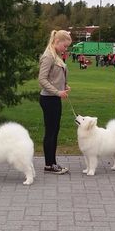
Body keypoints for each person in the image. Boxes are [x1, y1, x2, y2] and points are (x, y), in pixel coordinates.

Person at [38, 30, 72, 174]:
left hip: (55, 98)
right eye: (65, 46)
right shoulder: (48, 56)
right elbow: (42, 79)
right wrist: (58, 91)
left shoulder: (56, 56)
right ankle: (49, 164)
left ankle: (52, 163)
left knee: (55, 131)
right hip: (49, 98)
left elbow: (56, 76)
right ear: (57, 42)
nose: (66, 49)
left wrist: (64, 85)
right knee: (51, 132)